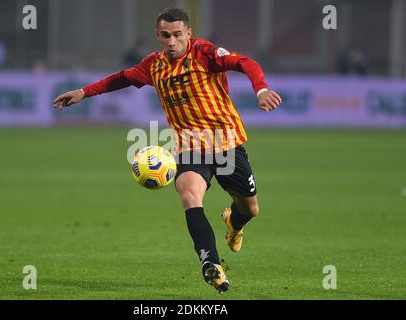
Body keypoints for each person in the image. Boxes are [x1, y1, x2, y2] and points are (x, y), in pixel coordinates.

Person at [53, 8, 281, 293]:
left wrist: (260, 89)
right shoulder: (153, 65)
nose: (171, 41)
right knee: (189, 194)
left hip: (226, 142)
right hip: (188, 146)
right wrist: (84, 92)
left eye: (176, 35)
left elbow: (246, 63)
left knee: (250, 209)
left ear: (188, 34)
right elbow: (122, 78)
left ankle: (234, 222)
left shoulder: (205, 53)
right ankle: (211, 263)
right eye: (165, 36)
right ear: (157, 36)